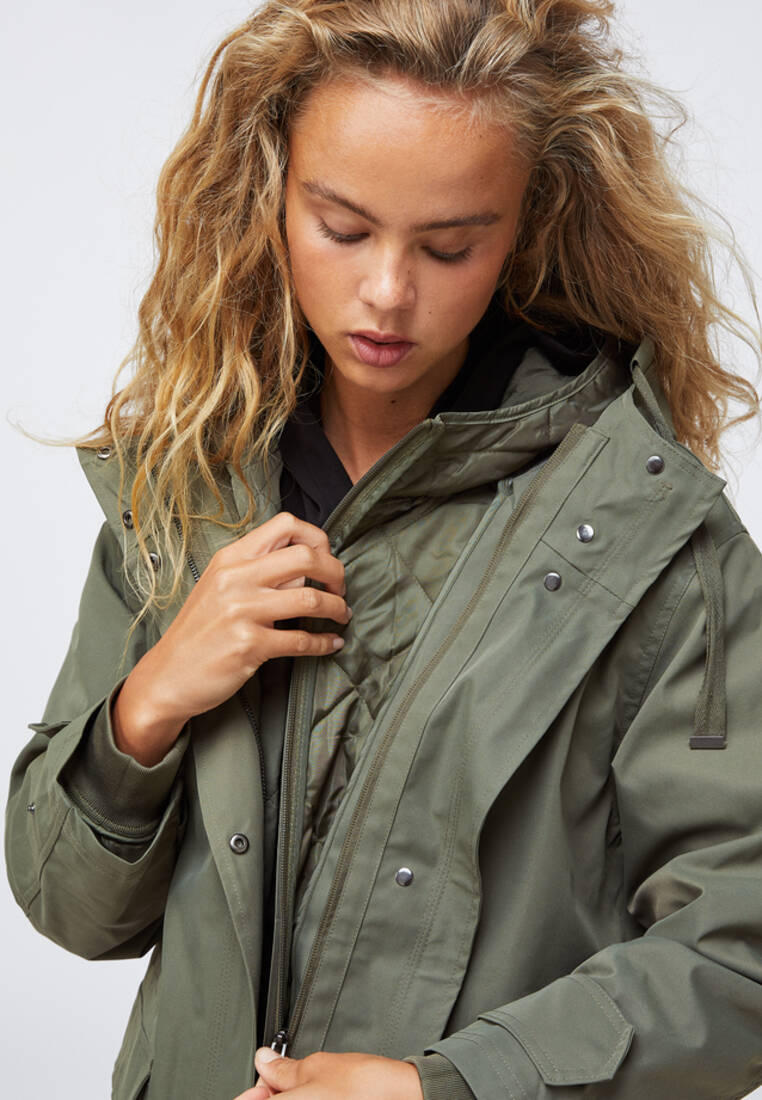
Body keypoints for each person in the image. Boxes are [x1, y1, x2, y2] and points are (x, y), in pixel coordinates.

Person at [5, 1, 762, 1097]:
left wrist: (445, 1085)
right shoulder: (185, 490)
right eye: (343, 228)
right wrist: (150, 702)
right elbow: (70, 909)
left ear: (526, 225)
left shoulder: (655, 541)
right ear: (270, 192)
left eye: (451, 245)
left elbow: (739, 953)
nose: (388, 293)